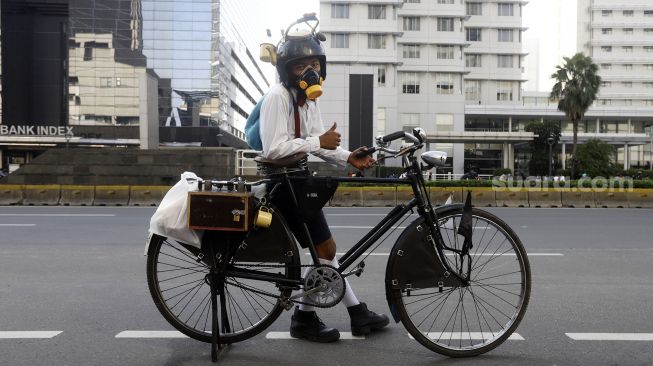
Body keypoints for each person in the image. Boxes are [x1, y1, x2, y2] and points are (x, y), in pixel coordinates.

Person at [259, 17, 389, 343]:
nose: (310, 71)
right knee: (325, 251)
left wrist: (348, 157)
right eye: (301, 65)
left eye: (314, 63)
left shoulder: (309, 100)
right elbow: (274, 148)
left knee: (325, 252)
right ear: (287, 69)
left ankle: (346, 313)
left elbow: (320, 142)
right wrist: (319, 143)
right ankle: (330, 316)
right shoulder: (278, 97)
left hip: (297, 178)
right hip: (281, 181)